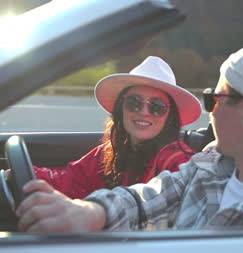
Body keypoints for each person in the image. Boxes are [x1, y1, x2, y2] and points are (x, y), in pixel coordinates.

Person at [15, 38, 243, 232]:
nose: (209, 111)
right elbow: (152, 197)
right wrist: (91, 213)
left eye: (213, 99)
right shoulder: (211, 164)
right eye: (134, 103)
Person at [31, 56, 202, 199]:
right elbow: (68, 180)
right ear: (121, 107)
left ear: (170, 117)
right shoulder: (109, 153)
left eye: (157, 107)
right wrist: (24, 175)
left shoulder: (180, 164)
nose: (144, 112)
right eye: (134, 102)